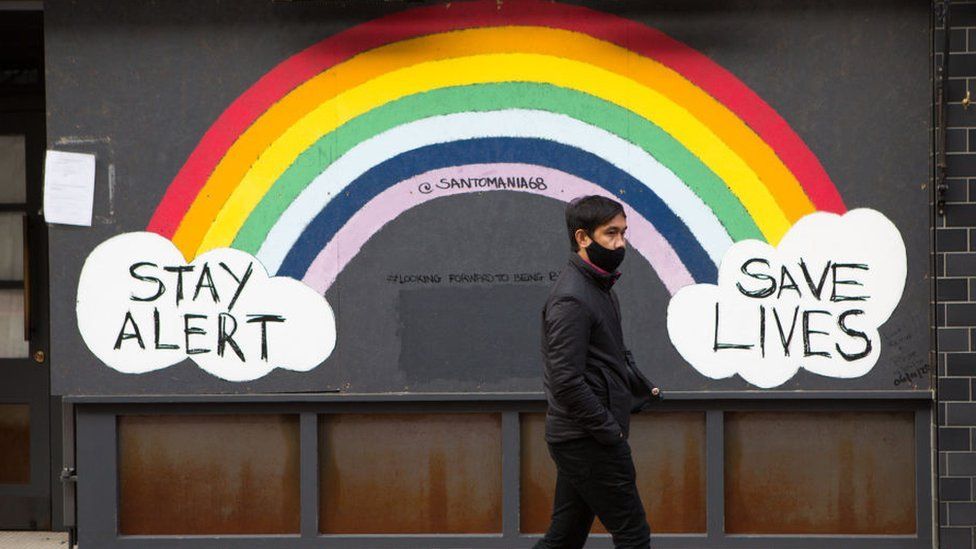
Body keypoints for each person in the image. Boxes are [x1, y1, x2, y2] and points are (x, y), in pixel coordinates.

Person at [534, 195, 661, 549]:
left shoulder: (597, 289)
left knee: (565, 538)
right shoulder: (573, 299)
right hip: (589, 440)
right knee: (633, 535)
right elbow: (565, 380)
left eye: (623, 233)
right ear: (582, 238)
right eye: (611, 234)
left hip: (584, 437)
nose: (620, 243)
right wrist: (609, 432)